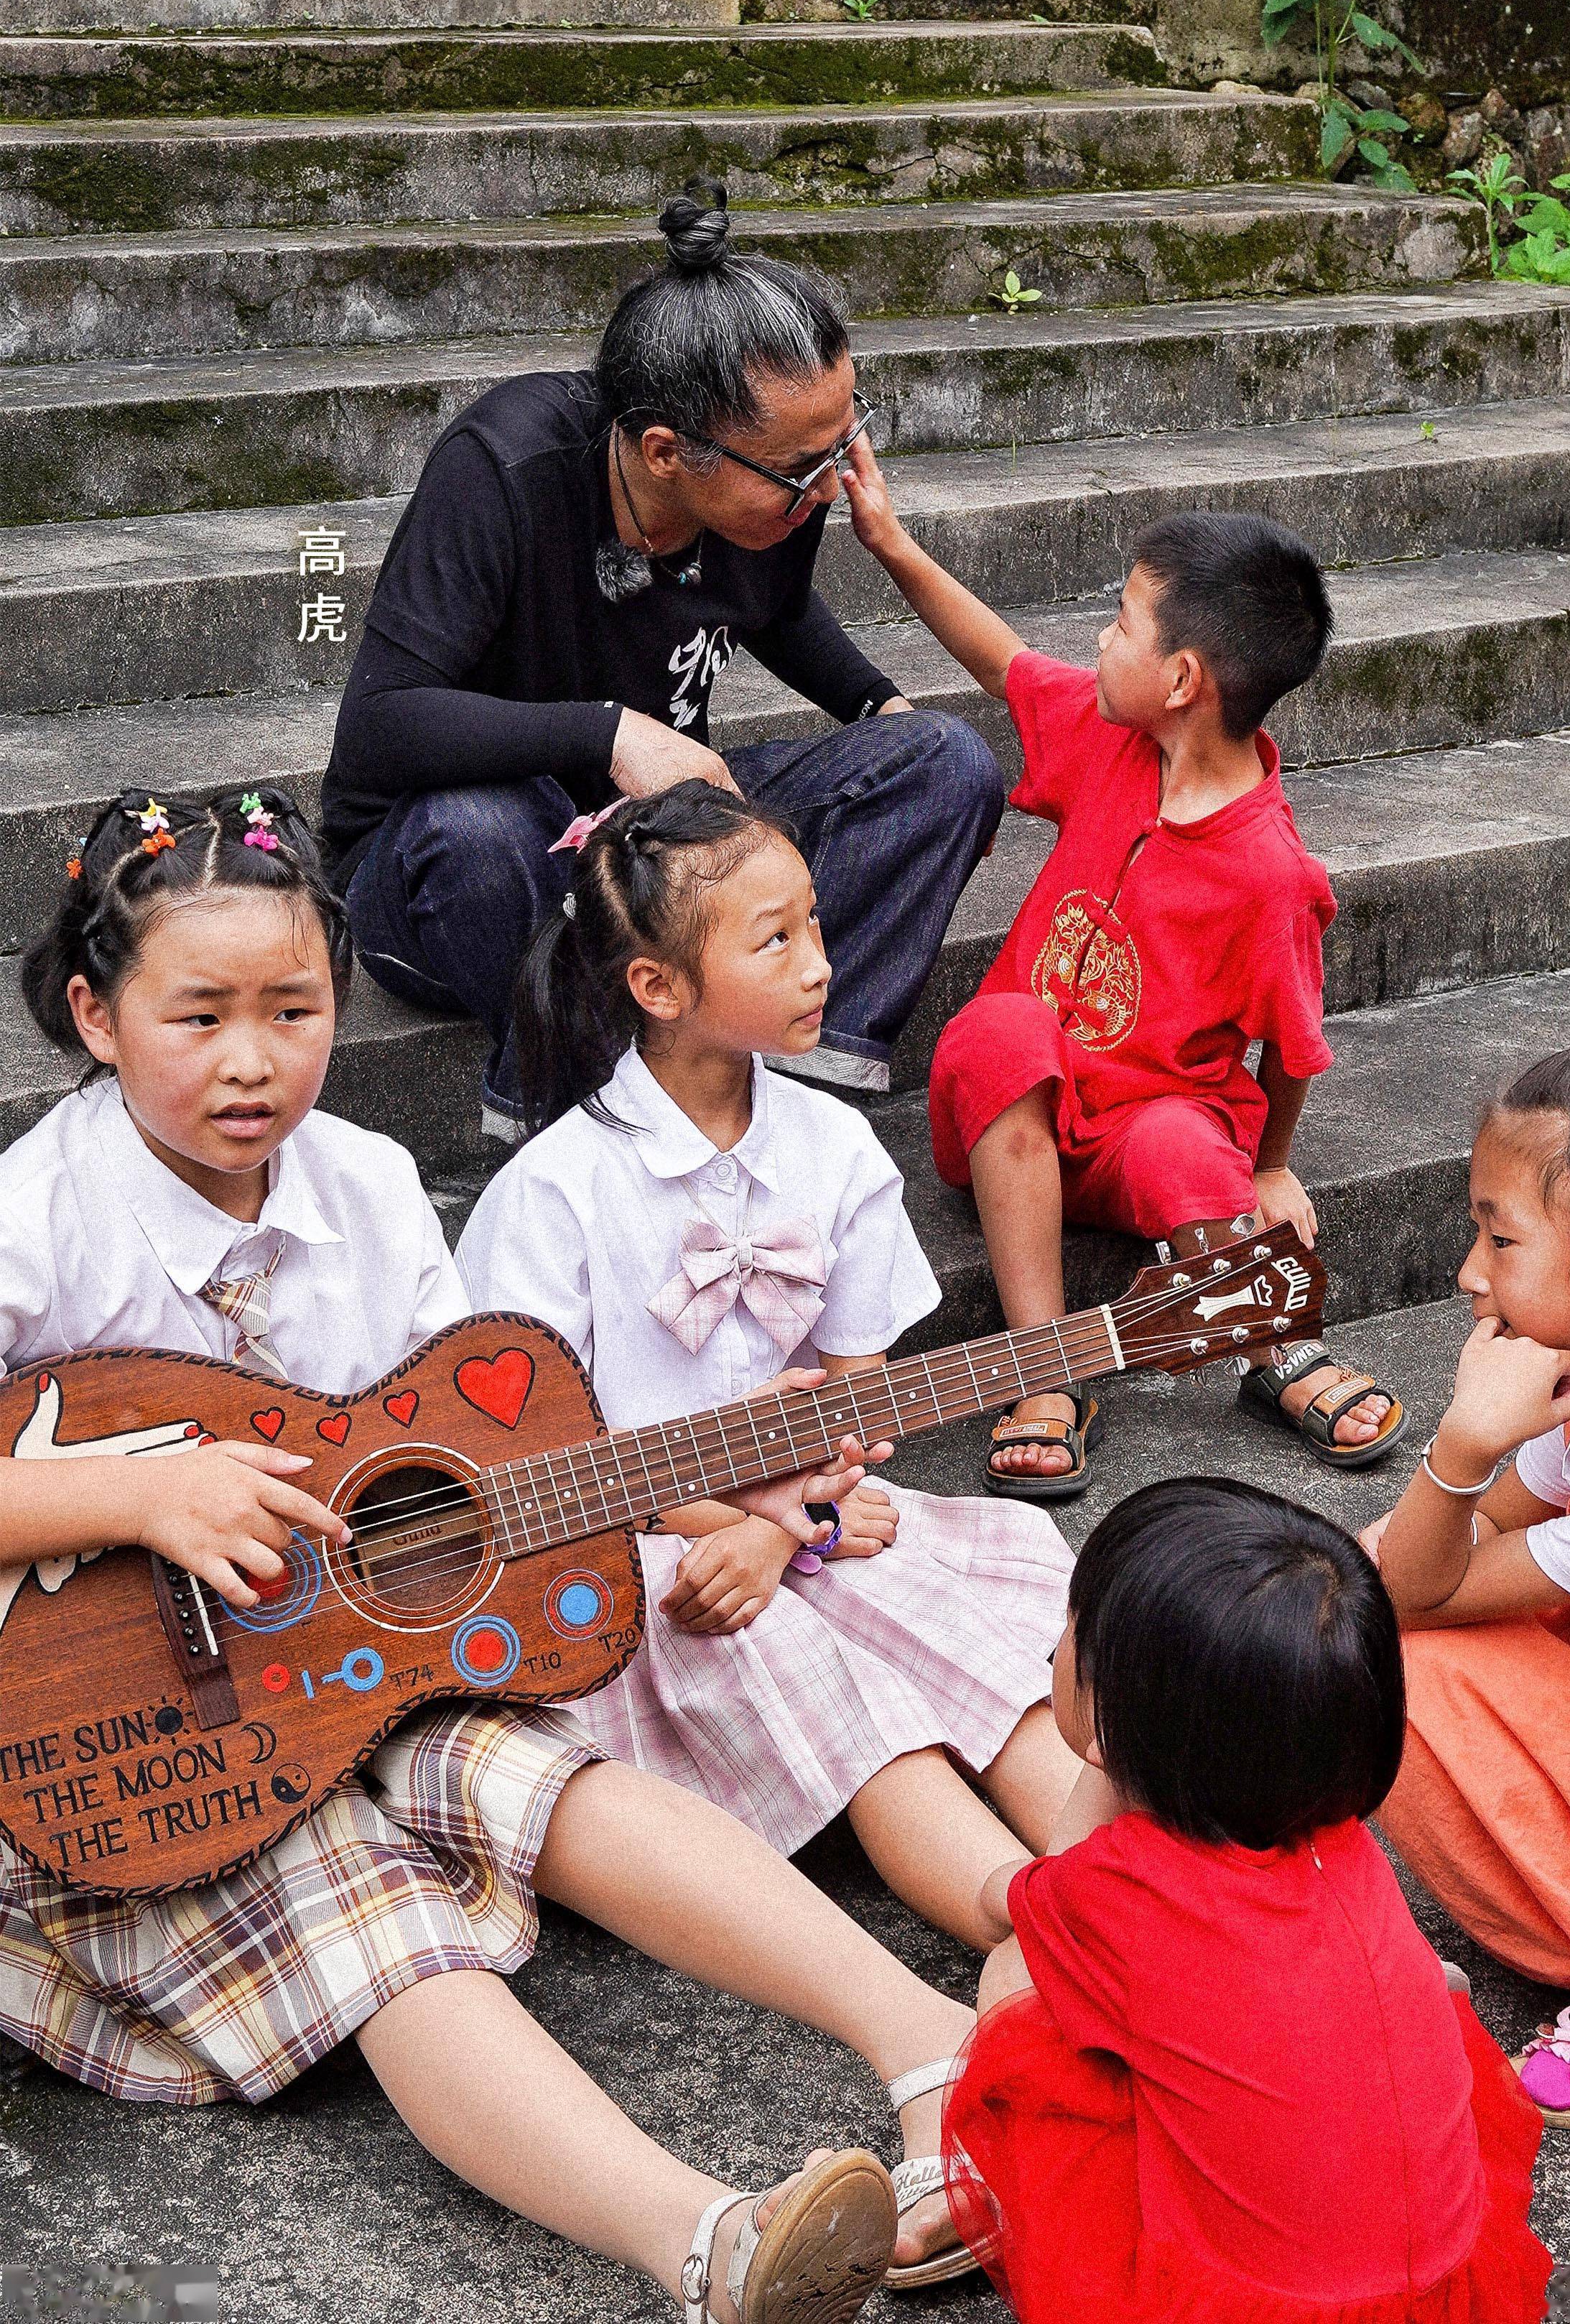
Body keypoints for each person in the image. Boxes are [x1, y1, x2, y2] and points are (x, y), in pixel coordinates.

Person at [0, 787, 987, 2323]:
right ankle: (706, 2243)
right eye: (197, 1015)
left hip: (341, 1657)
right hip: (116, 1725)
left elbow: (460, 1461)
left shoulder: (369, 1184)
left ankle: (937, 2044)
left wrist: (731, 1466)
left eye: (295, 1008)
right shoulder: (35, 1214)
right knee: (357, 1894)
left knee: (541, 1776)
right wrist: (135, 1502)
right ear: (94, 1014)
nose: (254, 1058)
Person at [455, 783, 1083, 2266]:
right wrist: (732, 1527)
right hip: (646, 1545)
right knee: (813, 1665)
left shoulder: (828, 1148)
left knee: (966, 1598)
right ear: (658, 988)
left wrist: (805, 1501)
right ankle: (1028, 1923)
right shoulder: (561, 1189)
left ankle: (1142, 1868)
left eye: (816, 926)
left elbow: (856, 1377)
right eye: (778, 936)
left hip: (808, 1504)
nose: (820, 960)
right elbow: (546, 1441)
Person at [320, 177, 1004, 1134]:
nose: (832, 483)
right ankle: (586, 1120)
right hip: (465, 865)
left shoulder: (774, 492)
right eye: (804, 468)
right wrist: (610, 734)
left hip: (655, 851)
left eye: (842, 440)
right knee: (476, 834)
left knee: (946, 761)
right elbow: (383, 723)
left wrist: (874, 707)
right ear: (663, 453)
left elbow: (776, 607)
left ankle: (787, 1106)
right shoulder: (502, 470)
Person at [837, 458, 1404, 1495]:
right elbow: (1000, 659)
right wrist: (891, 544)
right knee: (1002, 1028)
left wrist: (1270, 1167)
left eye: (1121, 623)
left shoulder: (1270, 872)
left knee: (1192, 1144)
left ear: (1182, 680)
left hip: (1145, 1124)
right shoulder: (1113, 739)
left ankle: (1272, 1346)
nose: (1099, 640)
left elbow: (1294, 1048)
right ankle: (1044, 1369)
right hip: (1014, 1116)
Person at [941, 1478, 1552, 2324]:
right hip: (1443, 2291)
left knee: (1016, 1986)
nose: (1052, 1654)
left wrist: (1099, 1763)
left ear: (1116, 1704)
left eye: (1066, 1636)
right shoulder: (1342, 1843)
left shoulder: (1116, 1886)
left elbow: (1024, 1896)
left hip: (1245, 2307)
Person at [1365, 1032, 1570, 2130]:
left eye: (1499, 1238)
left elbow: (1410, 1596)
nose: (1468, 1274)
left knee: (1391, 1663)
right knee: (1378, 1633)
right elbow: (1408, 1570)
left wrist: (1458, 1448)